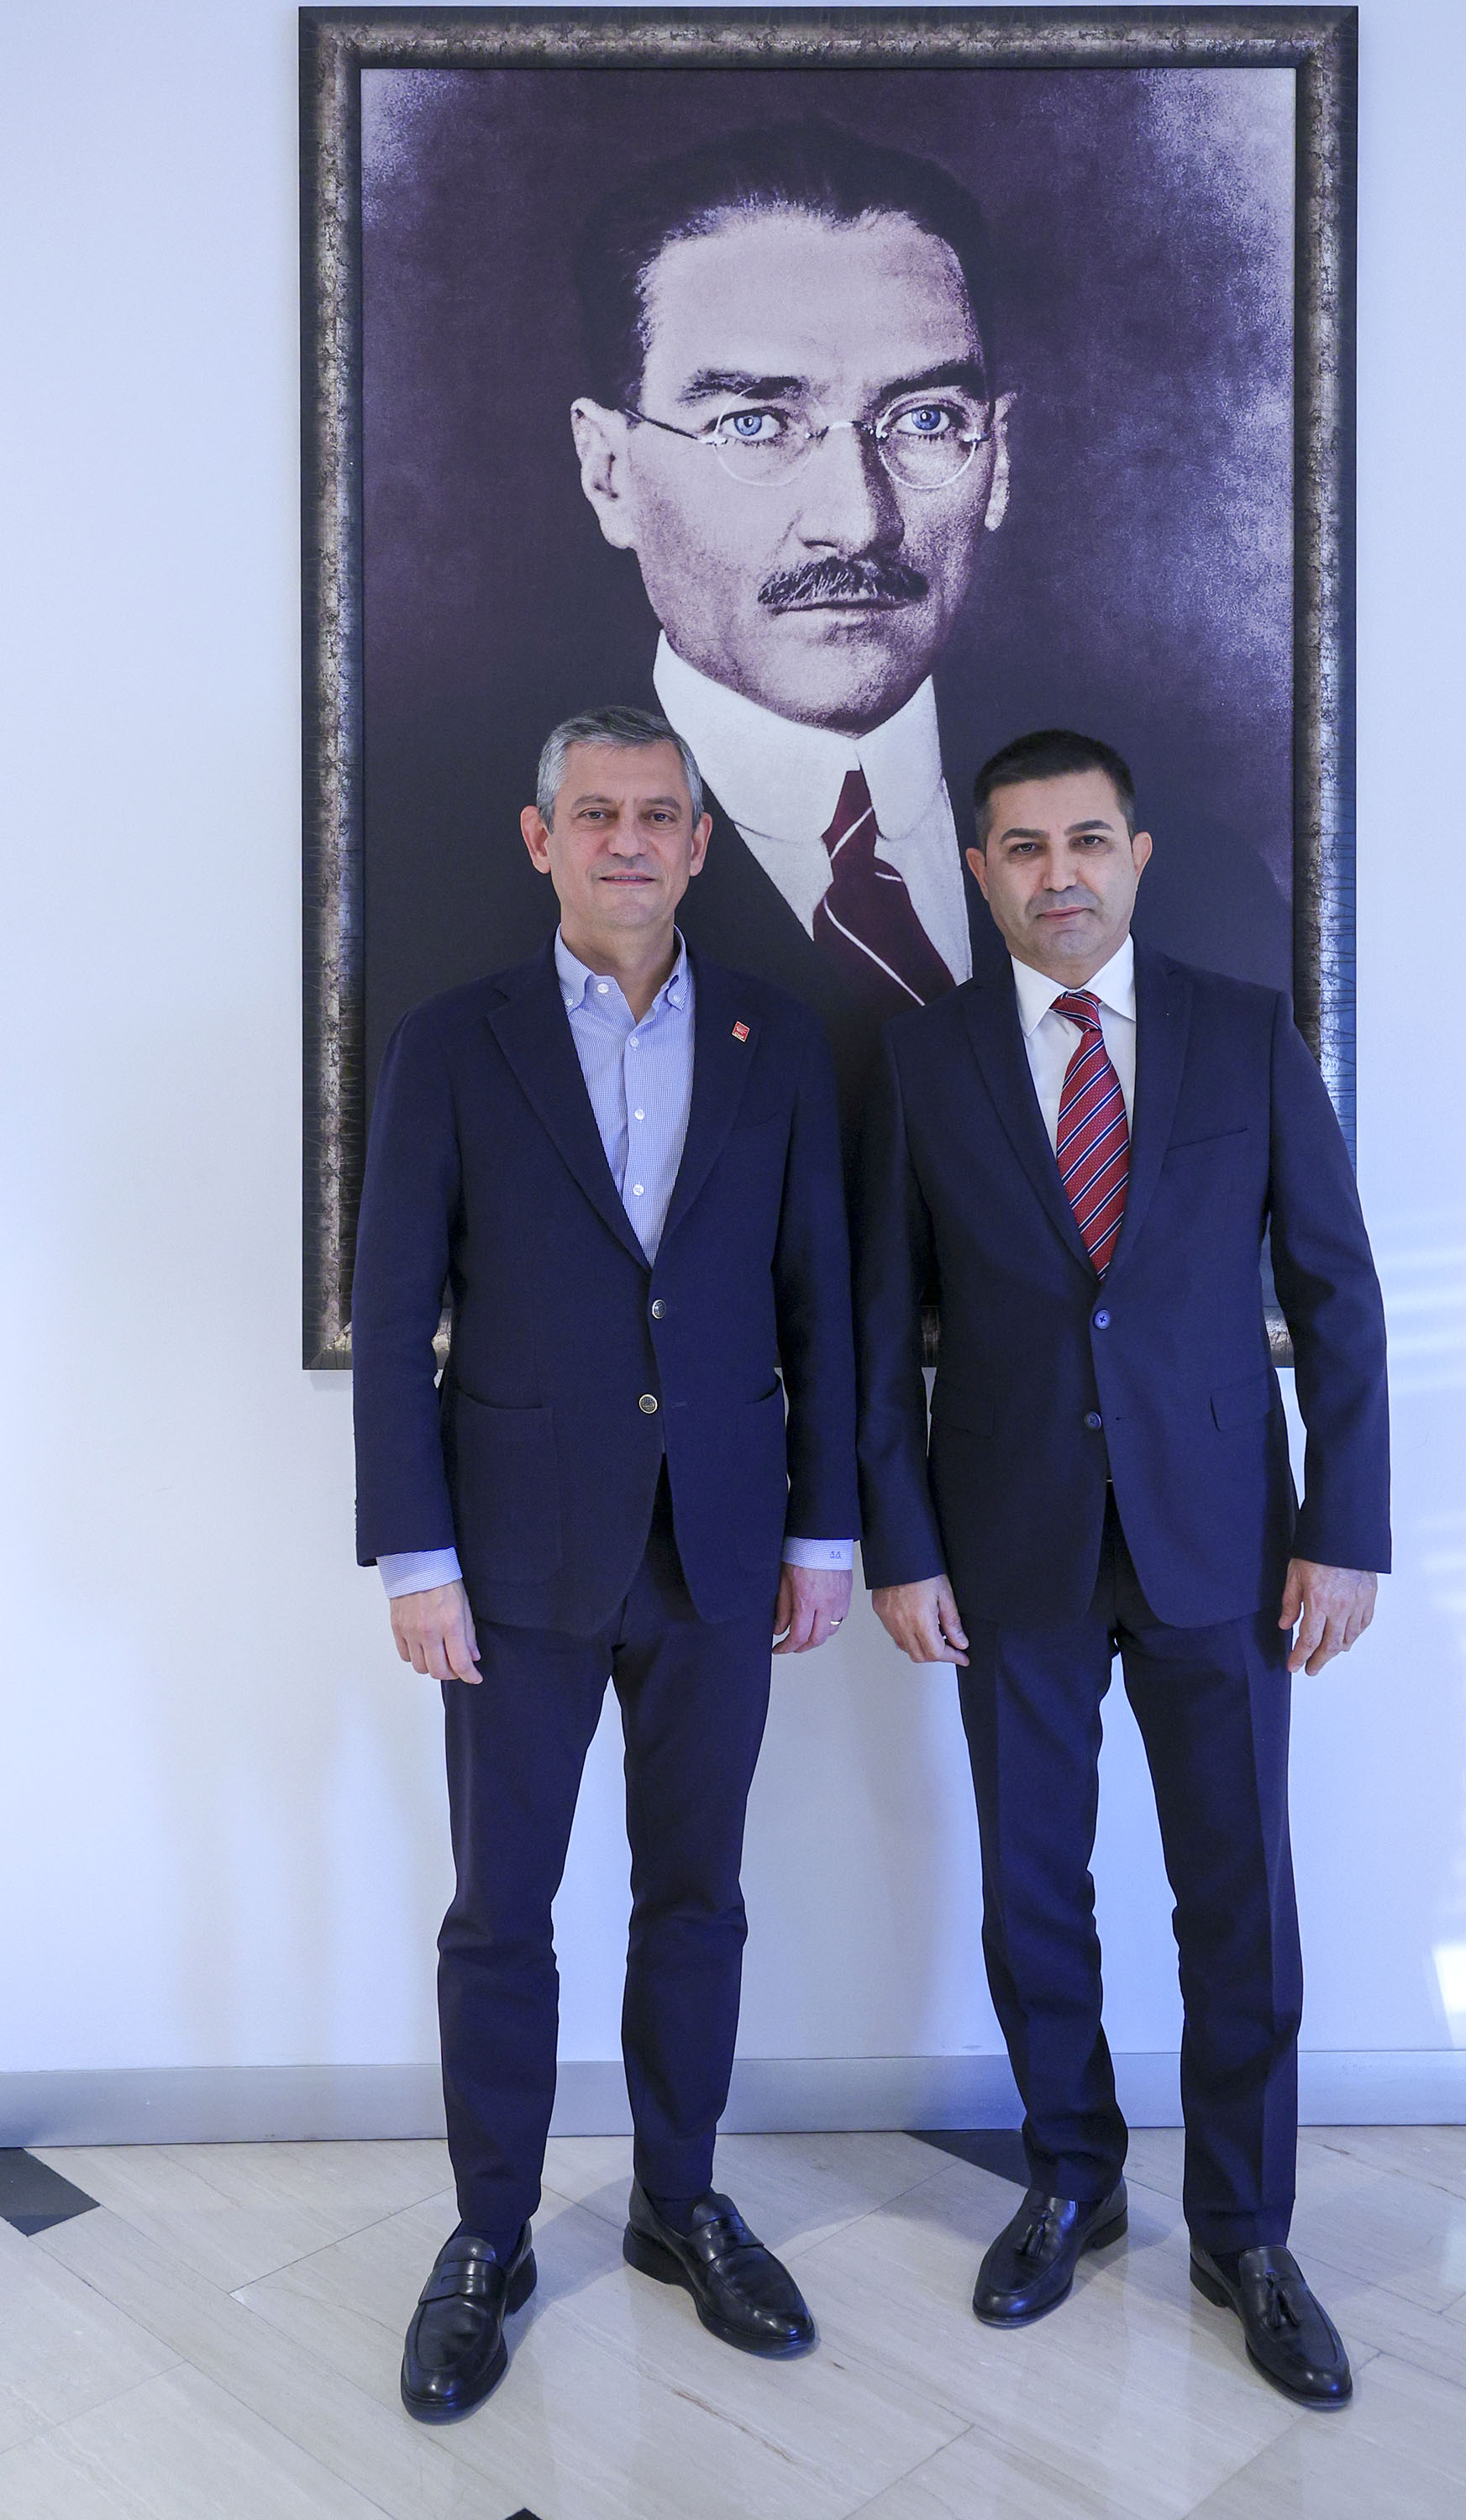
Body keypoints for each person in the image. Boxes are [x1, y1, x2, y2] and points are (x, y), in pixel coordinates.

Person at [853, 727, 1390, 2407]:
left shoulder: (1242, 1036)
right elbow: (876, 1336)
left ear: (1136, 856)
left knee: (1237, 1894)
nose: (1058, 875)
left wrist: (1345, 1529)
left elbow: (1337, 1294)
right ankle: (1070, 2179)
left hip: (1223, 1541)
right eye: (1022, 848)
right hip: (1004, 1541)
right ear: (979, 871)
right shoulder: (921, 1061)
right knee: (1033, 1886)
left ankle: (1247, 2232)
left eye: (1086, 841)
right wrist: (899, 1545)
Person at [353, 706, 859, 2420]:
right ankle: (490, 2235)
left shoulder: (778, 1040)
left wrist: (824, 1528)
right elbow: (395, 1318)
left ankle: (678, 2200)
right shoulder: (451, 1043)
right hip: (509, 1561)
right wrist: (415, 1559)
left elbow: (822, 1303)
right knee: (503, 1912)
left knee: (695, 1895)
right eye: (596, 814)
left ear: (700, 845)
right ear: (541, 839)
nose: (628, 840)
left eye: (657, 815)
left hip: (721, 1549)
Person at [570, 120, 1013, 1133]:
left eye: (926, 419)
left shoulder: (1192, 876)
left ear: (998, 460)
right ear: (609, 471)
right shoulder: (436, 891)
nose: (855, 521)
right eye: (754, 424)